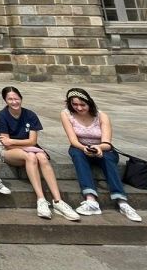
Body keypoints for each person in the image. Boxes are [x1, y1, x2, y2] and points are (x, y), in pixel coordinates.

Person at [0, 86, 80, 221]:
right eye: (10, 99)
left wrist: (13, 140)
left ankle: (58, 201)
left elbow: (33, 140)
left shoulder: (30, 115)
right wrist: (20, 142)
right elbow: (6, 144)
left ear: (21, 98)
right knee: (31, 156)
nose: (14, 102)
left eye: (16, 98)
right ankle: (41, 199)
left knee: (41, 157)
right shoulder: (2, 115)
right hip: (9, 152)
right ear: (5, 100)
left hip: (29, 148)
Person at [60, 87, 142, 222]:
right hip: (80, 147)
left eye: (82, 104)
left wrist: (98, 148)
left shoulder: (102, 116)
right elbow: (73, 140)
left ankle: (122, 201)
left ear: (89, 103)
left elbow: (107, 143)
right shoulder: (66, 114)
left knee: (108, 159)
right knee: (77, 155)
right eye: (75, 104)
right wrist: (84, 148)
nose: (79, 108)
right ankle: (91, 199)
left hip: (102, 148)